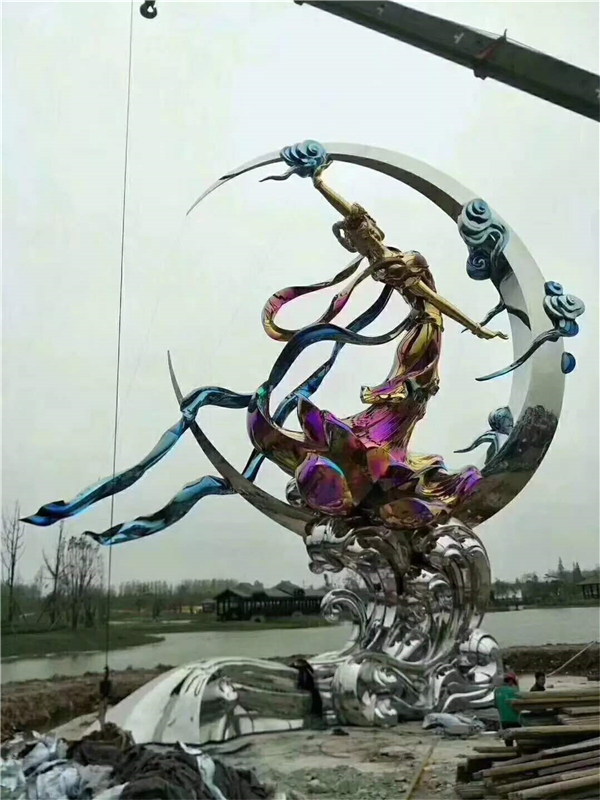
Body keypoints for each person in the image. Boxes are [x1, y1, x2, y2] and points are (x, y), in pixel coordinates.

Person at [494, 675, 521, 746]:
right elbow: (518, 705)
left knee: (508, 741)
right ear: (511, 681)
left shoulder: (497, 691)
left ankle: (510, 751)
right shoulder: (514, 691)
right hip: (515, 719)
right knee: (520, 741)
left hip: (504, 720)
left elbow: (496, 705)